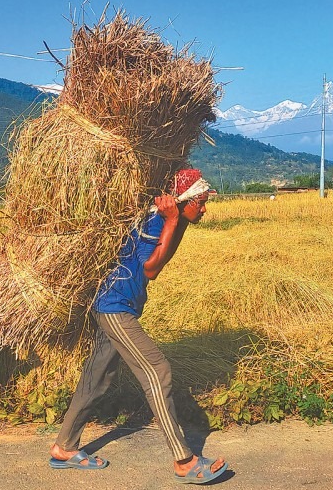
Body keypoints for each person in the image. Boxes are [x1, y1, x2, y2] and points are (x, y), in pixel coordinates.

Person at [49, 168, 229, 485]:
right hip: (114, 307)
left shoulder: (176, 220)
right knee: (157, 370)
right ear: (184, 201)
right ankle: (184, 461)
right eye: (200, 202)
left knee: (98, 379)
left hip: (116, 305)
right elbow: (150, 269)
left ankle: (64, 447)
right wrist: (172, 221)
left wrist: (178, 221)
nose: (204, 208)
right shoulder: (156, 220)